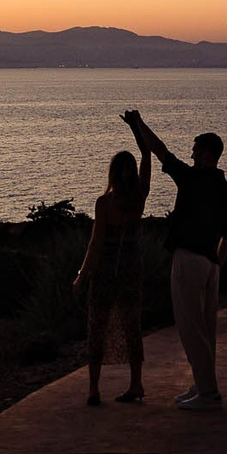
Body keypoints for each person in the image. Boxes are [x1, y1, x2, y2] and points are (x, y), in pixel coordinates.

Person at [121, 108, 227, 410]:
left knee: (190, 328)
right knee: (206, 329)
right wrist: (217, 265)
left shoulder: (193, 179)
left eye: (196, 151)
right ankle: (202, 384)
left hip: (189, 260)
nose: (193, 155)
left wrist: (140, 123)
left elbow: (160, 151)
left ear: (208, 154)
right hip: (210, 264)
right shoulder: (225, 190)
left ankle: (209, 393)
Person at [71, 144, 153, 405]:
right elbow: (147, 163)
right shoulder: (138, 198)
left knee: (97, 327)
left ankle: (94, 389)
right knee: (132, 327)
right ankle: (136, 383)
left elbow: (95, 243)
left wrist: (82, 275)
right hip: (130, 268)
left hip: (106, 271)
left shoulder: (105, 203)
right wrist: (140, 137)